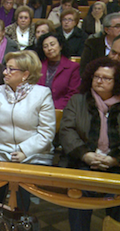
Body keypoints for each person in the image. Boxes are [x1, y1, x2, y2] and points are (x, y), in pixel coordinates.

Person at [0, 50, 56, 211]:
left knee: (22, 189)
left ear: (25, 74)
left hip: (33, 153)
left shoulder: (41, 94)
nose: (5, 73)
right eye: (5, 68)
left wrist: (24, 151)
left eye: (11, 69)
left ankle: (20, 223)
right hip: (2, 151)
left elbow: (47, 133)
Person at [59, 57, 120, 231]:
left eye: (106, 78)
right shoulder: (78, 101)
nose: (100, 81)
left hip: (116, 165)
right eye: (96, 76)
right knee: (80, 189)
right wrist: (85, 154)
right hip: (83, 162)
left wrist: (115, 159)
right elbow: (66, 131)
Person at [37, 32, 81, 109]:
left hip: (63, 110)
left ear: (61, 46)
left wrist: (50, 107)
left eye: (52, 44)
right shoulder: (38, 66)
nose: (49, 48)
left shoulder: (73, 67)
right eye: (45, 46)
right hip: (39, 109)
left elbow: (73, 94)